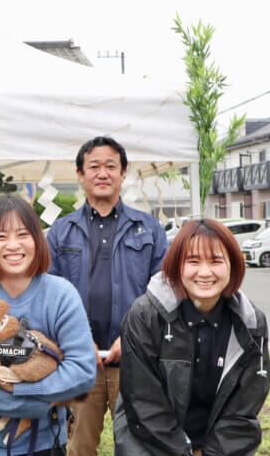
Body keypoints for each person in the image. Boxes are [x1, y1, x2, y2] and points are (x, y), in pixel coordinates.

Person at [0, 195, 96, 455]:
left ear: (38, 239)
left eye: (23, 234)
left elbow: (82, 372)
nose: (13, 245)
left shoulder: (61, 294)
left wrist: (21, 388)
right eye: (0, 237)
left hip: (45, 444)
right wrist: (48, 402)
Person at [46, 136, 168, 456]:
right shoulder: (61, 232)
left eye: (110, 166)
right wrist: (74, 341)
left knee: (139, 446)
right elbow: (49, 295)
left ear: (123, 173)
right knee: (79, 446)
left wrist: (131, 338)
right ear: (80, 174)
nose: (103, 173)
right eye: (94, 166)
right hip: (80, 362)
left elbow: (164, 292)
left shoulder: (149, 229)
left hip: (135, 362)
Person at [114, 218, 270, 455]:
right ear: (177, 266)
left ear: (233, 266)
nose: (205, 272)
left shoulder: (251, 323)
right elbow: (144, 402)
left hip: (217, 445)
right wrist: (184, 452)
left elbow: (243, 408)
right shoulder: (144, 315)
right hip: (150, 441)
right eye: (193, 261)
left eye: (216, 261)